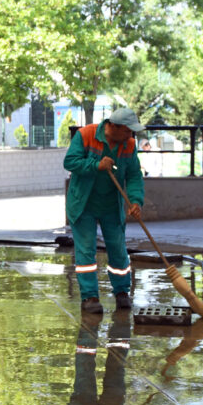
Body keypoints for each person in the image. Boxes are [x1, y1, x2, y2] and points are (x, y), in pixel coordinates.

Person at [63, 107, 145, 314]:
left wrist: (135, 201)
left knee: (118, 249)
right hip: (84, 204)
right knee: (86, 250)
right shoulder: (86, 135)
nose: (130, 135)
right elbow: (70, 162)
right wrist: (96, 164)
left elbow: (134, 175)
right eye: (128, 131)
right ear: (114, 126)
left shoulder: (129, 145)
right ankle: (89, 297)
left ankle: (122, 292)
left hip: (111, 205)